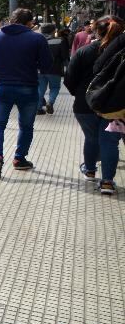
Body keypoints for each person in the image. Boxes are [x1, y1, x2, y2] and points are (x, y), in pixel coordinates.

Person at [0, 8, 53, 178]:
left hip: (1, 87)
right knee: (26, 126)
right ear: (30, 23)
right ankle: (19, 159)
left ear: (11, 20)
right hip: (28, 88)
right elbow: (47, 65)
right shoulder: (38, 38)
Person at [65, 15, 124, 195]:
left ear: (96, 30)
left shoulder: (84, 51)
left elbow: (69, 79)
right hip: (116, 106)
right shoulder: (121, 52)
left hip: (85, 105)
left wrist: (81, 94)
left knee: (91, 138)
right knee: (109, 142)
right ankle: (107, 182)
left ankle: (90, 170)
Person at [37, 24, 70, 114]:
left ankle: (38, 108)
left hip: (40, 69)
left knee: (40, 88)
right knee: (55, 87)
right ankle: (50, 102)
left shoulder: (37, 40)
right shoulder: (60, 41)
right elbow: (64, 56)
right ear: (53, 31)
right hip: (55, 69)